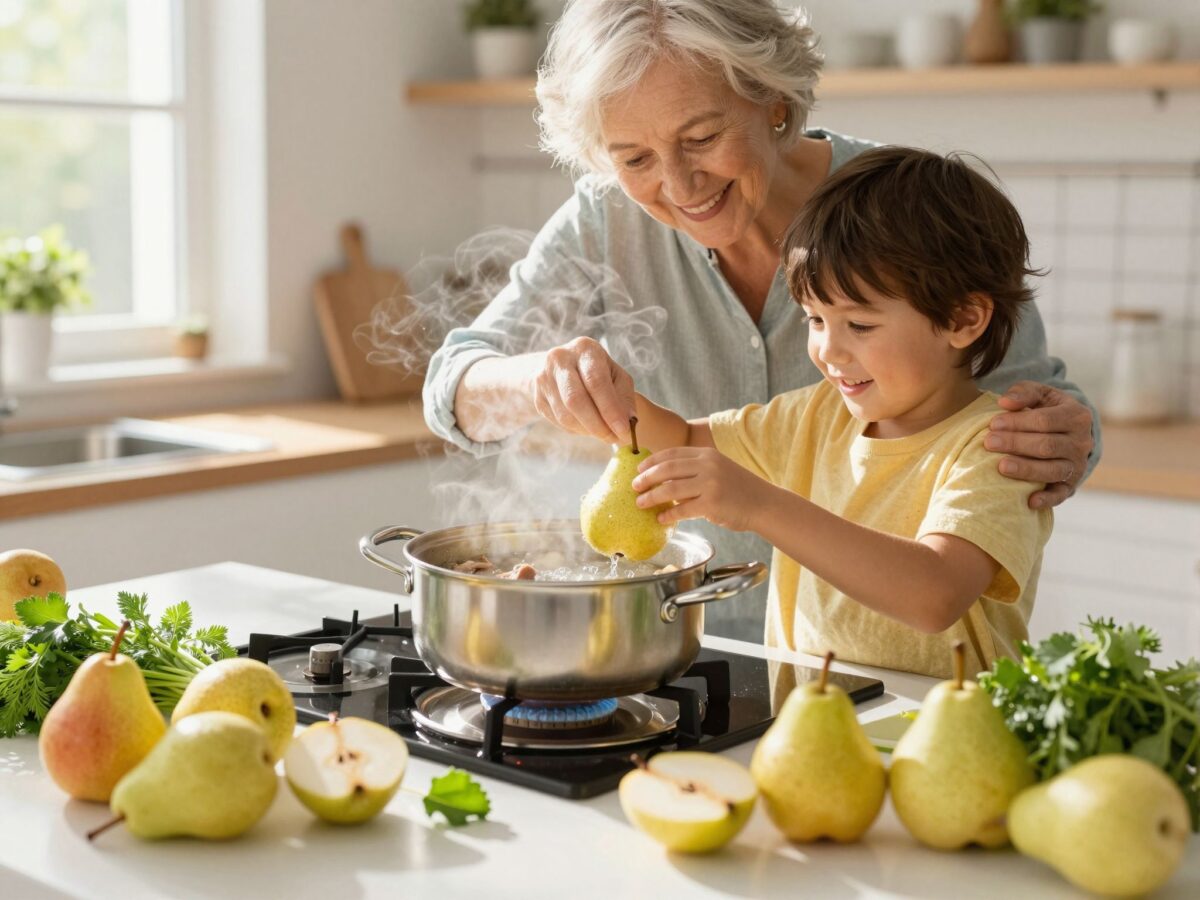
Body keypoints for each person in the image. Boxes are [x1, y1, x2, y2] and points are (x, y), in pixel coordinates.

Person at [422, 0, 1096, 641]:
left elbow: (1031, 418)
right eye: (634, 159)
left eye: (703, 137)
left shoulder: (902, 212)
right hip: (690, 638)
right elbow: (453, 385)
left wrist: (1065, 434)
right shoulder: (604, 223)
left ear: (773, 98)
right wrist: (540, 379)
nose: (681, 186)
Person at [626, 145, 1053, 678]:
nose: (828, 350)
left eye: (860, 325)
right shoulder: (818, 416)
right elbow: (680, 441)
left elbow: (935, 594)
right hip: (809, 737)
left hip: (946, 743)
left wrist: (759, 505)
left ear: (964, 319)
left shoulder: (996, 448)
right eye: (815, 320)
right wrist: (607, 400)